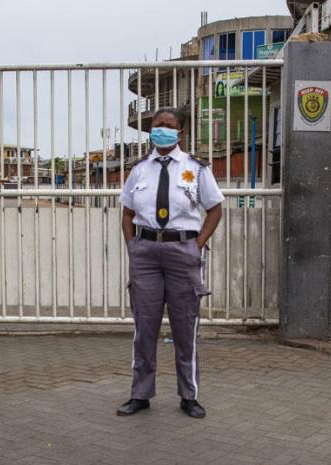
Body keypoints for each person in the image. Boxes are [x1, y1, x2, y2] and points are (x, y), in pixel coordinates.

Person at [117, 107, 224, 419]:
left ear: (181, 132)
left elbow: (215, 209)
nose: (161, 129)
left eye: (168, 125)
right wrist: (133, 246)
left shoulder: (196, 169)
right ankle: (140, 394)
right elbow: (126, 212)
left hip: (182, 253)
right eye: (156, 125)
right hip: (146, 252)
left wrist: (197, 245)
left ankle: (189, 396)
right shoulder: (139, 169)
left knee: (185, 327)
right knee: (144, 328)